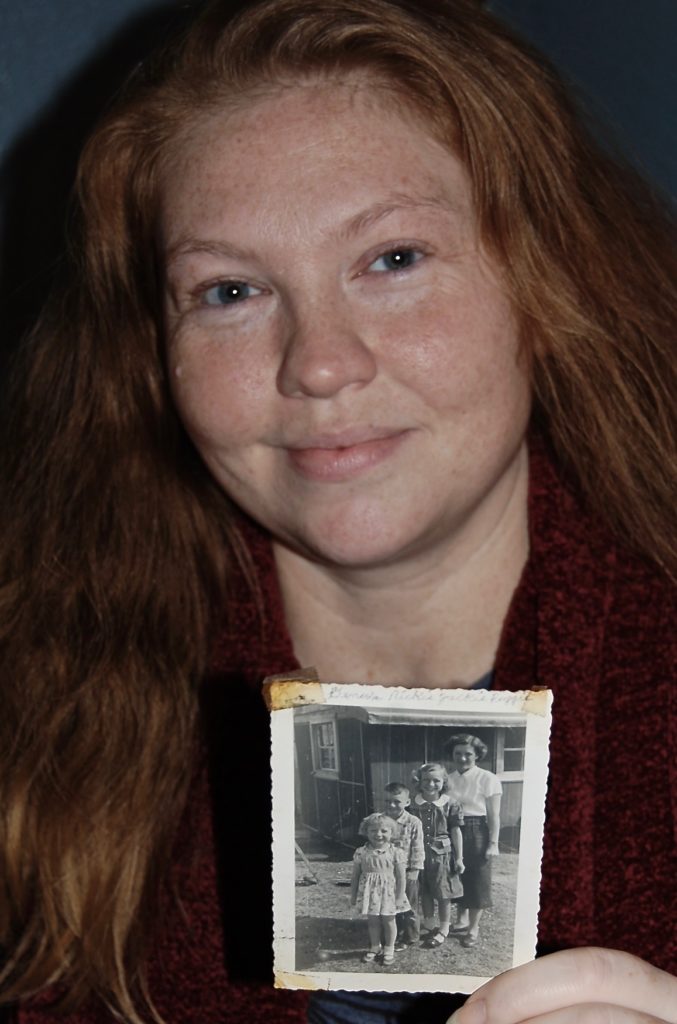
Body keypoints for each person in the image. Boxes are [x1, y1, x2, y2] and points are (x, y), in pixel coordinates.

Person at [0, 0, 675, 1023]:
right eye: (229, 291)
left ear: (547, 278)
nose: (318, 362)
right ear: (154, 355)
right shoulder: (34, 705)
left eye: (392, 260)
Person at [444, 734, 502, 948]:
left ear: (477, 755)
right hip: (451, 829)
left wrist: (493, 843)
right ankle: (461, 919)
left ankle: (473, 928)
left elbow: (494, 815)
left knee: (477, 878)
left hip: (477, 829)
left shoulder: (488, 778)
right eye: (457, 754)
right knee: (456, 874)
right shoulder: (447, 778)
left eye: (468, 754)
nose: (462, 758)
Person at [409, 764, 464, 949]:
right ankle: (430, 925)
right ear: (419, 781)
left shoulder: (450, 804)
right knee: (424, 890)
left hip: (442, 856)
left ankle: (444, 929)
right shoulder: (413, 804)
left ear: (443, 782)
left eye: (436, 780)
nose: (430, 784)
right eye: (426, 780)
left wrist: (459, 858)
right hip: (418, 854)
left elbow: (456, 831)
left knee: (443, 893)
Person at [350, 813, 410, 965]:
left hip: (388, 894)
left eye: (384, 831)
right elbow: (355, 876)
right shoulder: (361, 852)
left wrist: (399, 896)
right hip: (369, 894)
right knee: (373, 921)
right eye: (373, 830)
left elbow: (401, 877)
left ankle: (389, 948)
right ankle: (375, 947)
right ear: (366, 831)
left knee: (389, 921)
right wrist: (353, 895)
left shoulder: (396, 852)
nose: (378, 834)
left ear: (392, 832)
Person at [384, 782, 424, 948]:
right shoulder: (380, 820)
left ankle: (410, 936)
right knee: (387, 903)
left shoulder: (413, 822)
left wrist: (414, 870)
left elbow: (418, 847)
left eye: (397, 801)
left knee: (408, 905)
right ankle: (391, 932)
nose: (392, 805)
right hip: (385, 871)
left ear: (407, 802)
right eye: (387, 801)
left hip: (407, 871)